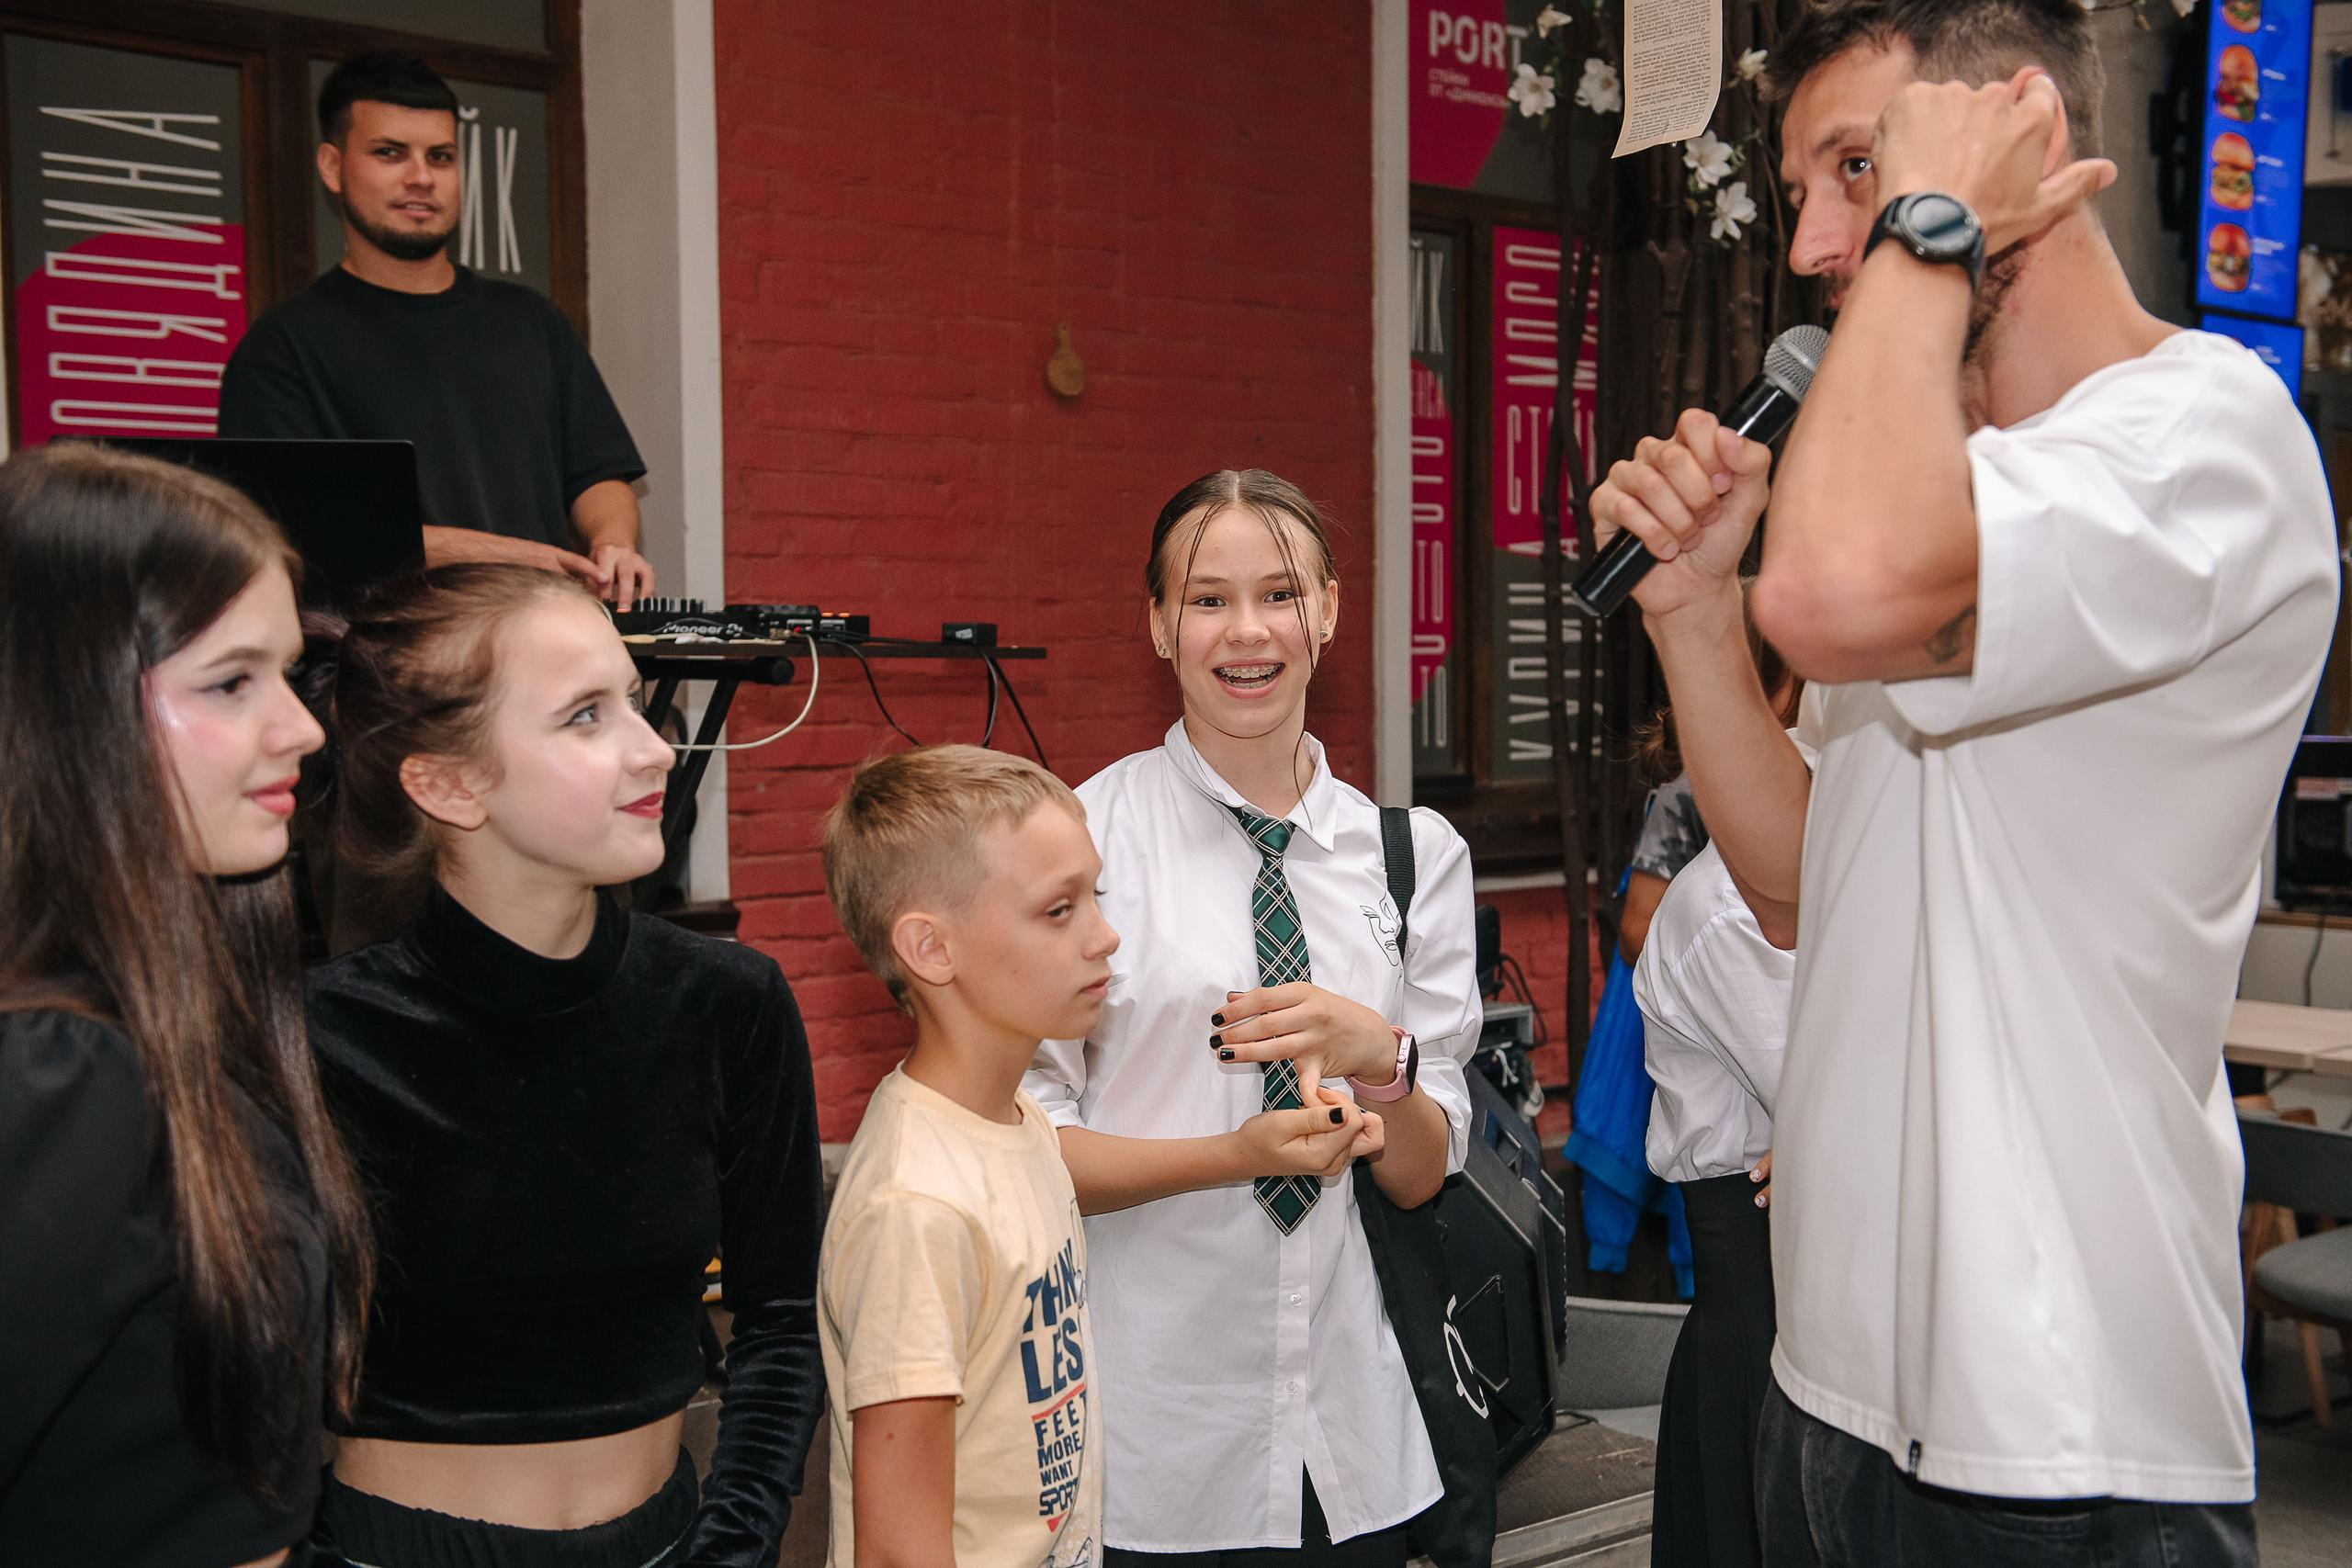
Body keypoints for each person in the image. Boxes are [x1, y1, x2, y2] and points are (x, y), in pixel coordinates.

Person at [1590, 1, 2338, 1562]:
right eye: (1802, 191)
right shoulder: (1948, 495)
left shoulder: (2201, 433)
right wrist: (1696, 615)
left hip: (2053, 1427)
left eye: (1859, 169)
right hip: (1834, 1383)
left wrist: (1925, 237)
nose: (1812, 242)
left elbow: (1839, 588)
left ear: (2017, 150)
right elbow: (1806, 886)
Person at [302, 564, 822, 1566]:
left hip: (670, 1542)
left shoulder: (725, 1004)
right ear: (448, 784)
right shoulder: (318, 1041)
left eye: (633, 701)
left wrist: (731, 1544)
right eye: (585, 716)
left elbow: (784, 1320)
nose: (651, 748)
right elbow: (230, 1382)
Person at [1023, 469, 1484, 1565]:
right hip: (1151, 1441)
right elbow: (1020, 1149)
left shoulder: (1412, 860)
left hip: (1355, 1434)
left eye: (1278, 594)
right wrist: (1228, 1154)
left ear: (1326, 609)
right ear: (1156, 623)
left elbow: (1423, 1176)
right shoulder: (1077, 841)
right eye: (1206, 598)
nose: (1247, 632)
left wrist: (1382, 1061)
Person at [0, 445, 372, 1567]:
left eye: (288, 676)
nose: (304, 730)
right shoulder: (62, 1071)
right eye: (229, 682)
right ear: (67, 712)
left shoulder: (180, 1018)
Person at [817, 744, 1116, 1568]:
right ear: (931, 947)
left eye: (1098, 895)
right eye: (1060, 910)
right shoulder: (918, 1206)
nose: (1105, 934)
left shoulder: (1017, 1119)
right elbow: (900, 1553)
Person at [220, 51, 653, 608]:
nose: (421, 178)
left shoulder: (531, 320)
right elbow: (293, 534)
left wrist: (613, 542)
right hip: (385, 674)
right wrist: (518, 557)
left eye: (441, 157)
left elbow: (598, 474)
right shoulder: (282, 350)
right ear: (332, 166)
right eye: (389, 153)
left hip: (548, 647)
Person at [1633, 647, 1805, 1568]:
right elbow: (1830, 1104)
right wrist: (1829, 1132)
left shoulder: (1811, 872)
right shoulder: (1726, 909)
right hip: (1766, 1308)